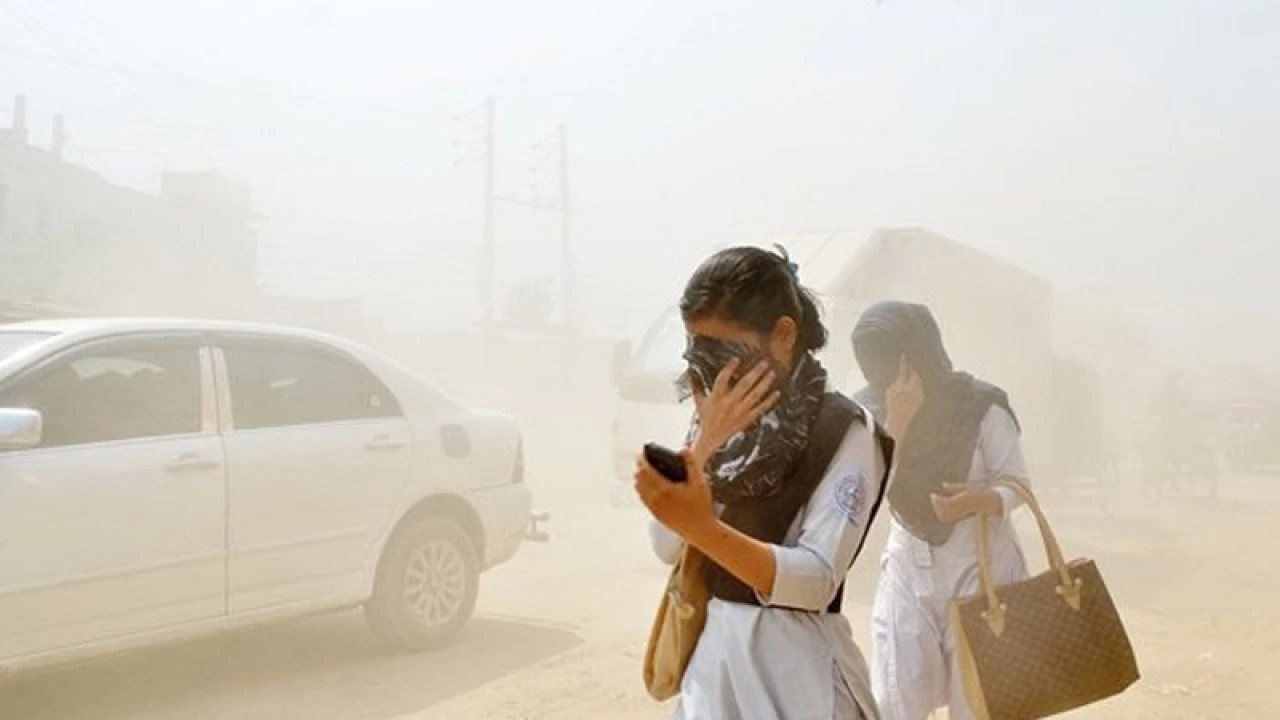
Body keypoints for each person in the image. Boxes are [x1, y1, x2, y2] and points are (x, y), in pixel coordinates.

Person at [634, 246, 892, 720]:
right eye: (699, 352)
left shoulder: (846, 432)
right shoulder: (710, 422)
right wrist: (706, 445)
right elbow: (666, 547)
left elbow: (815, 582)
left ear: (783, 336)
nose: (713, 371)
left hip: (799, 679)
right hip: (714, 674)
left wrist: (706, 531)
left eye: (725, 352)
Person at [849, 301, 1031, 720]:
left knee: (981, 703)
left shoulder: (980, 406)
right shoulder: (867, 414)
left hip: (982, 568)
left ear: (917, 355)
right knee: (897, 700)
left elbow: (1017, 483)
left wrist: (978, 501)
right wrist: (898, 421)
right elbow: (865, 492)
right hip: (908, 569)